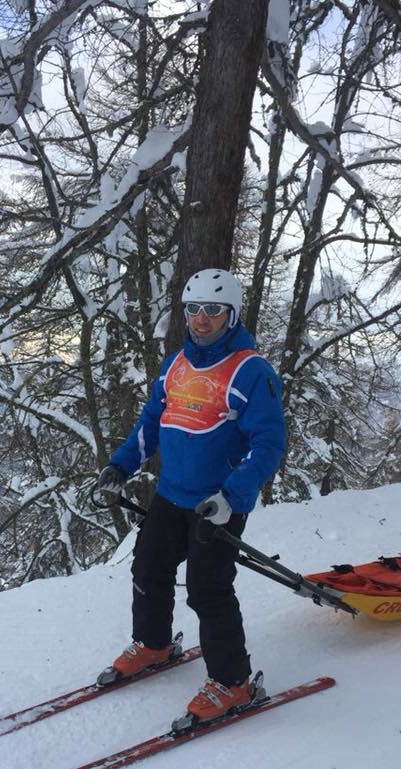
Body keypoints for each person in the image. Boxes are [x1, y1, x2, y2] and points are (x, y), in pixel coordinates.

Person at [95, 268, 286, 724]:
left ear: (232, 314)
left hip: (215, 504)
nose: (202, 319)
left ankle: (232, 680)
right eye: (194, 309)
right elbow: (150, 424)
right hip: (170, 496)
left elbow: (269, 444)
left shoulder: (250, 371)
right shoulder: (176, 364)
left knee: (208, 589)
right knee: (148, 567)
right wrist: (120, 466)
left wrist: (233, 495)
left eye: (214, 310)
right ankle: (153, 643)